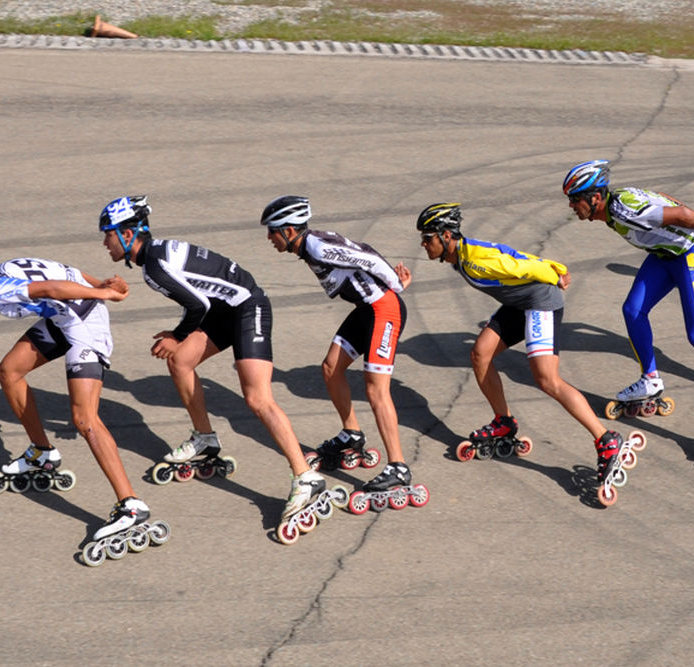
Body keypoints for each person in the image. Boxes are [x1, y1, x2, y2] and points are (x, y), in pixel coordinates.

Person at [97, 194, 325, 522]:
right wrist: (179, 339)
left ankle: (305, 476)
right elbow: (203, 302)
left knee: (258, 398)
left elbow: (197, 306)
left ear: (128, 235)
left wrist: (177, 335)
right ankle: (204, 438)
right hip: (224, 309)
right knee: (180, 361)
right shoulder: (156, 253)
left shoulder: (154, 266)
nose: (105, 243)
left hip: (247, 308)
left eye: (108, 234)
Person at [0, 236, 156, 547]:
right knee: (9, 371)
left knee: (84, 418)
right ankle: (42, 453)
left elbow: (51, 288)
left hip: (84, 321)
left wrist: (102, 292)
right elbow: (65, 270)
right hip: (62, 315)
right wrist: (100, 282)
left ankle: (130, 505)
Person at [404, 202, 635, 500]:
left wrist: (556, 273)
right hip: (519, 303)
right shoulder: (465, 253)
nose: (423, 244)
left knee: (547, 379)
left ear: (446, 235)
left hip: (540, 302)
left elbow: (521, 265)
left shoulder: (475, 261)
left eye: (428, 238)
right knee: (480, 354)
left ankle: (606, 439)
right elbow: (511, 254)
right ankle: (504, 422)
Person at [561, 159, 694, 450]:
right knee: (633, 311)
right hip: (665, 255)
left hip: (693, 253)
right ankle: (650, 379)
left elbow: (681, 213)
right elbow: (667, 201)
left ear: (595, 198)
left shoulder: (623, 210)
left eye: (575, 200)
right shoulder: (618, 201)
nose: (572, 206)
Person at [261, 194, 411, 494]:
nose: (269, 238)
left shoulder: (316, 246)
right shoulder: (309, 245)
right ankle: (352, 433)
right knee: (331, 368)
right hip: (366, 310)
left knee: (375, 389)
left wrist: (394, 285)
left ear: (289, 231)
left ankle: (398, 467)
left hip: (384, 310)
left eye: (272, 231)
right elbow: (360, 251)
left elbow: (367, 257)